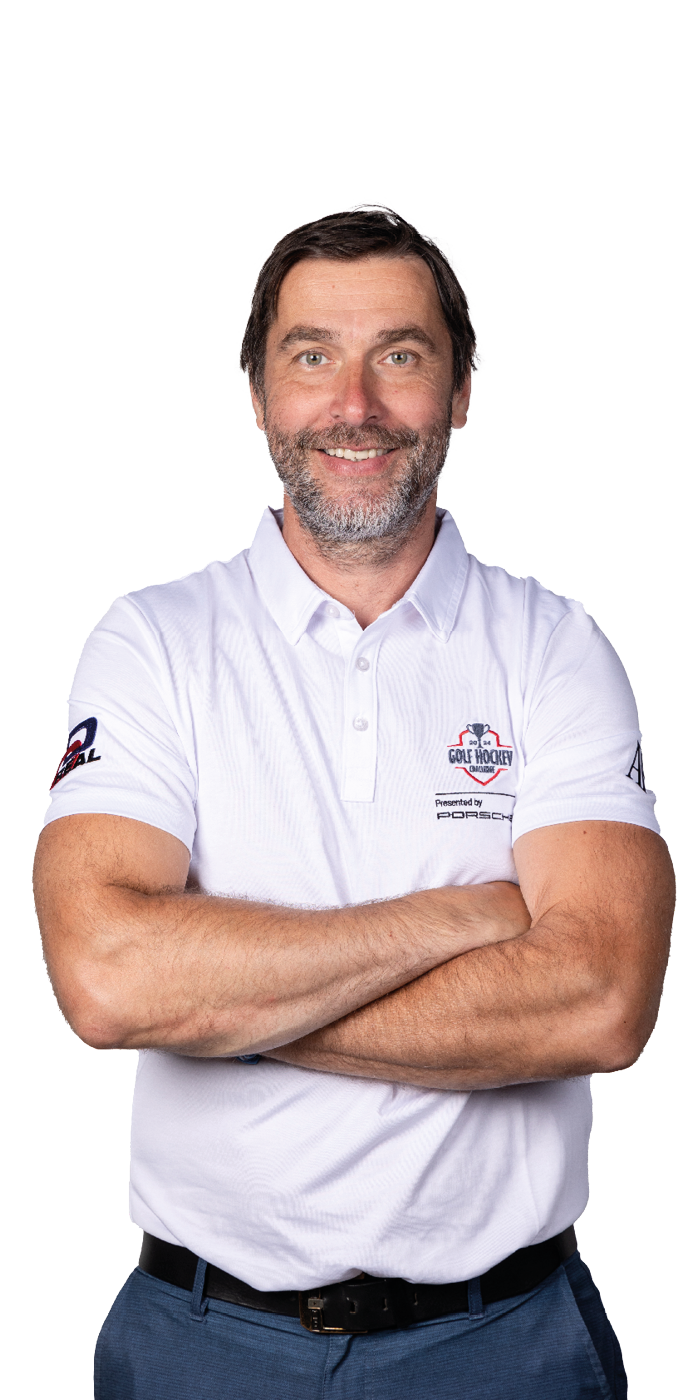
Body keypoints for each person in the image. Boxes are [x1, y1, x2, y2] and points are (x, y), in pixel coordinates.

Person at [33, 204, 675, 1400]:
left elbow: (599, 998)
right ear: (259, 393)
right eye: (312, 355)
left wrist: (221, 1003)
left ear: (460, 391)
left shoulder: (553, 647)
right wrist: (465, 916)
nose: (356, 404)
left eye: (402, 355)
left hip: (504, 1343)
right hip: (200, 1341)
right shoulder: (153, 642)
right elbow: (109, 976)